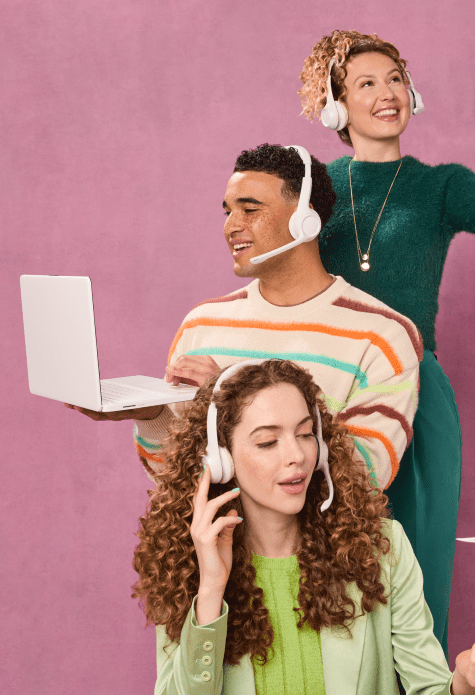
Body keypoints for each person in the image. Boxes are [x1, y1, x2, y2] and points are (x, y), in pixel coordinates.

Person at [295, 30, 475, 653]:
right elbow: (277, 270)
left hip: (417, 388)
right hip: (327, 392)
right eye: (365, 84)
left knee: (420, 550)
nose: (386, 93)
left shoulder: (439, 186)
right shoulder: (315, 189)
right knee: (320, 555)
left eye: (395, 79)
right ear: (336, 108)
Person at [133, 359, 475, 694]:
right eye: (268, 442)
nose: (297, 456)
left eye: (306, 434)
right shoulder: (187, 564)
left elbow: (431, 687)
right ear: (222, 459)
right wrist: (211, 588)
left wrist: (468, 685)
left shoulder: (381, 549)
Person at [68, 143, 422, 494]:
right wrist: (153, 417)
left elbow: (364, 477)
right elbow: (173, 482)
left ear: (305, 219)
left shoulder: (382, 336)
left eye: (250, 209)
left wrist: (235, 395)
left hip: (318, 550)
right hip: (215, 549)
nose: (231, 227)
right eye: (227, 212)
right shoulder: (202, 325)